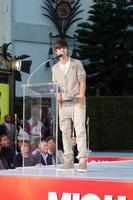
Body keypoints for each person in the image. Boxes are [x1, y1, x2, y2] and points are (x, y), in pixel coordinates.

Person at [52, 39, 87, 170]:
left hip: (77, 100)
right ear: (56, 51)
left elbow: (82, 80)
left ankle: (82, 160)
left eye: (64, 48)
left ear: (67, 49)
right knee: (65, 131)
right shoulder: (55, 68)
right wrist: (58, 100)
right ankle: (68, 160)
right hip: (63, 103)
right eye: (59, 49)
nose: (62, 50)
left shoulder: (76, 63)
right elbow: (55, 86)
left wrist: (81, 95)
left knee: (80, 129)